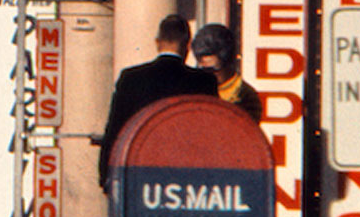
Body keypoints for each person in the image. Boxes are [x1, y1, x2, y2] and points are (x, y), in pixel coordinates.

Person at [97, 14, 218, 189]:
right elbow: (210, 135)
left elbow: (115, 129)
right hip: (187, 179)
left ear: (157, 42)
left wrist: (105, 176)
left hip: (140, 174)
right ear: (187, 46)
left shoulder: (131, 78)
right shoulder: (203, 81)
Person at [190, 23, 263, 122]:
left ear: (228, 63)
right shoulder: (194, 91)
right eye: (203, 69)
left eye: (212, 70)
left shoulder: (246, 97)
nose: (207, 75)